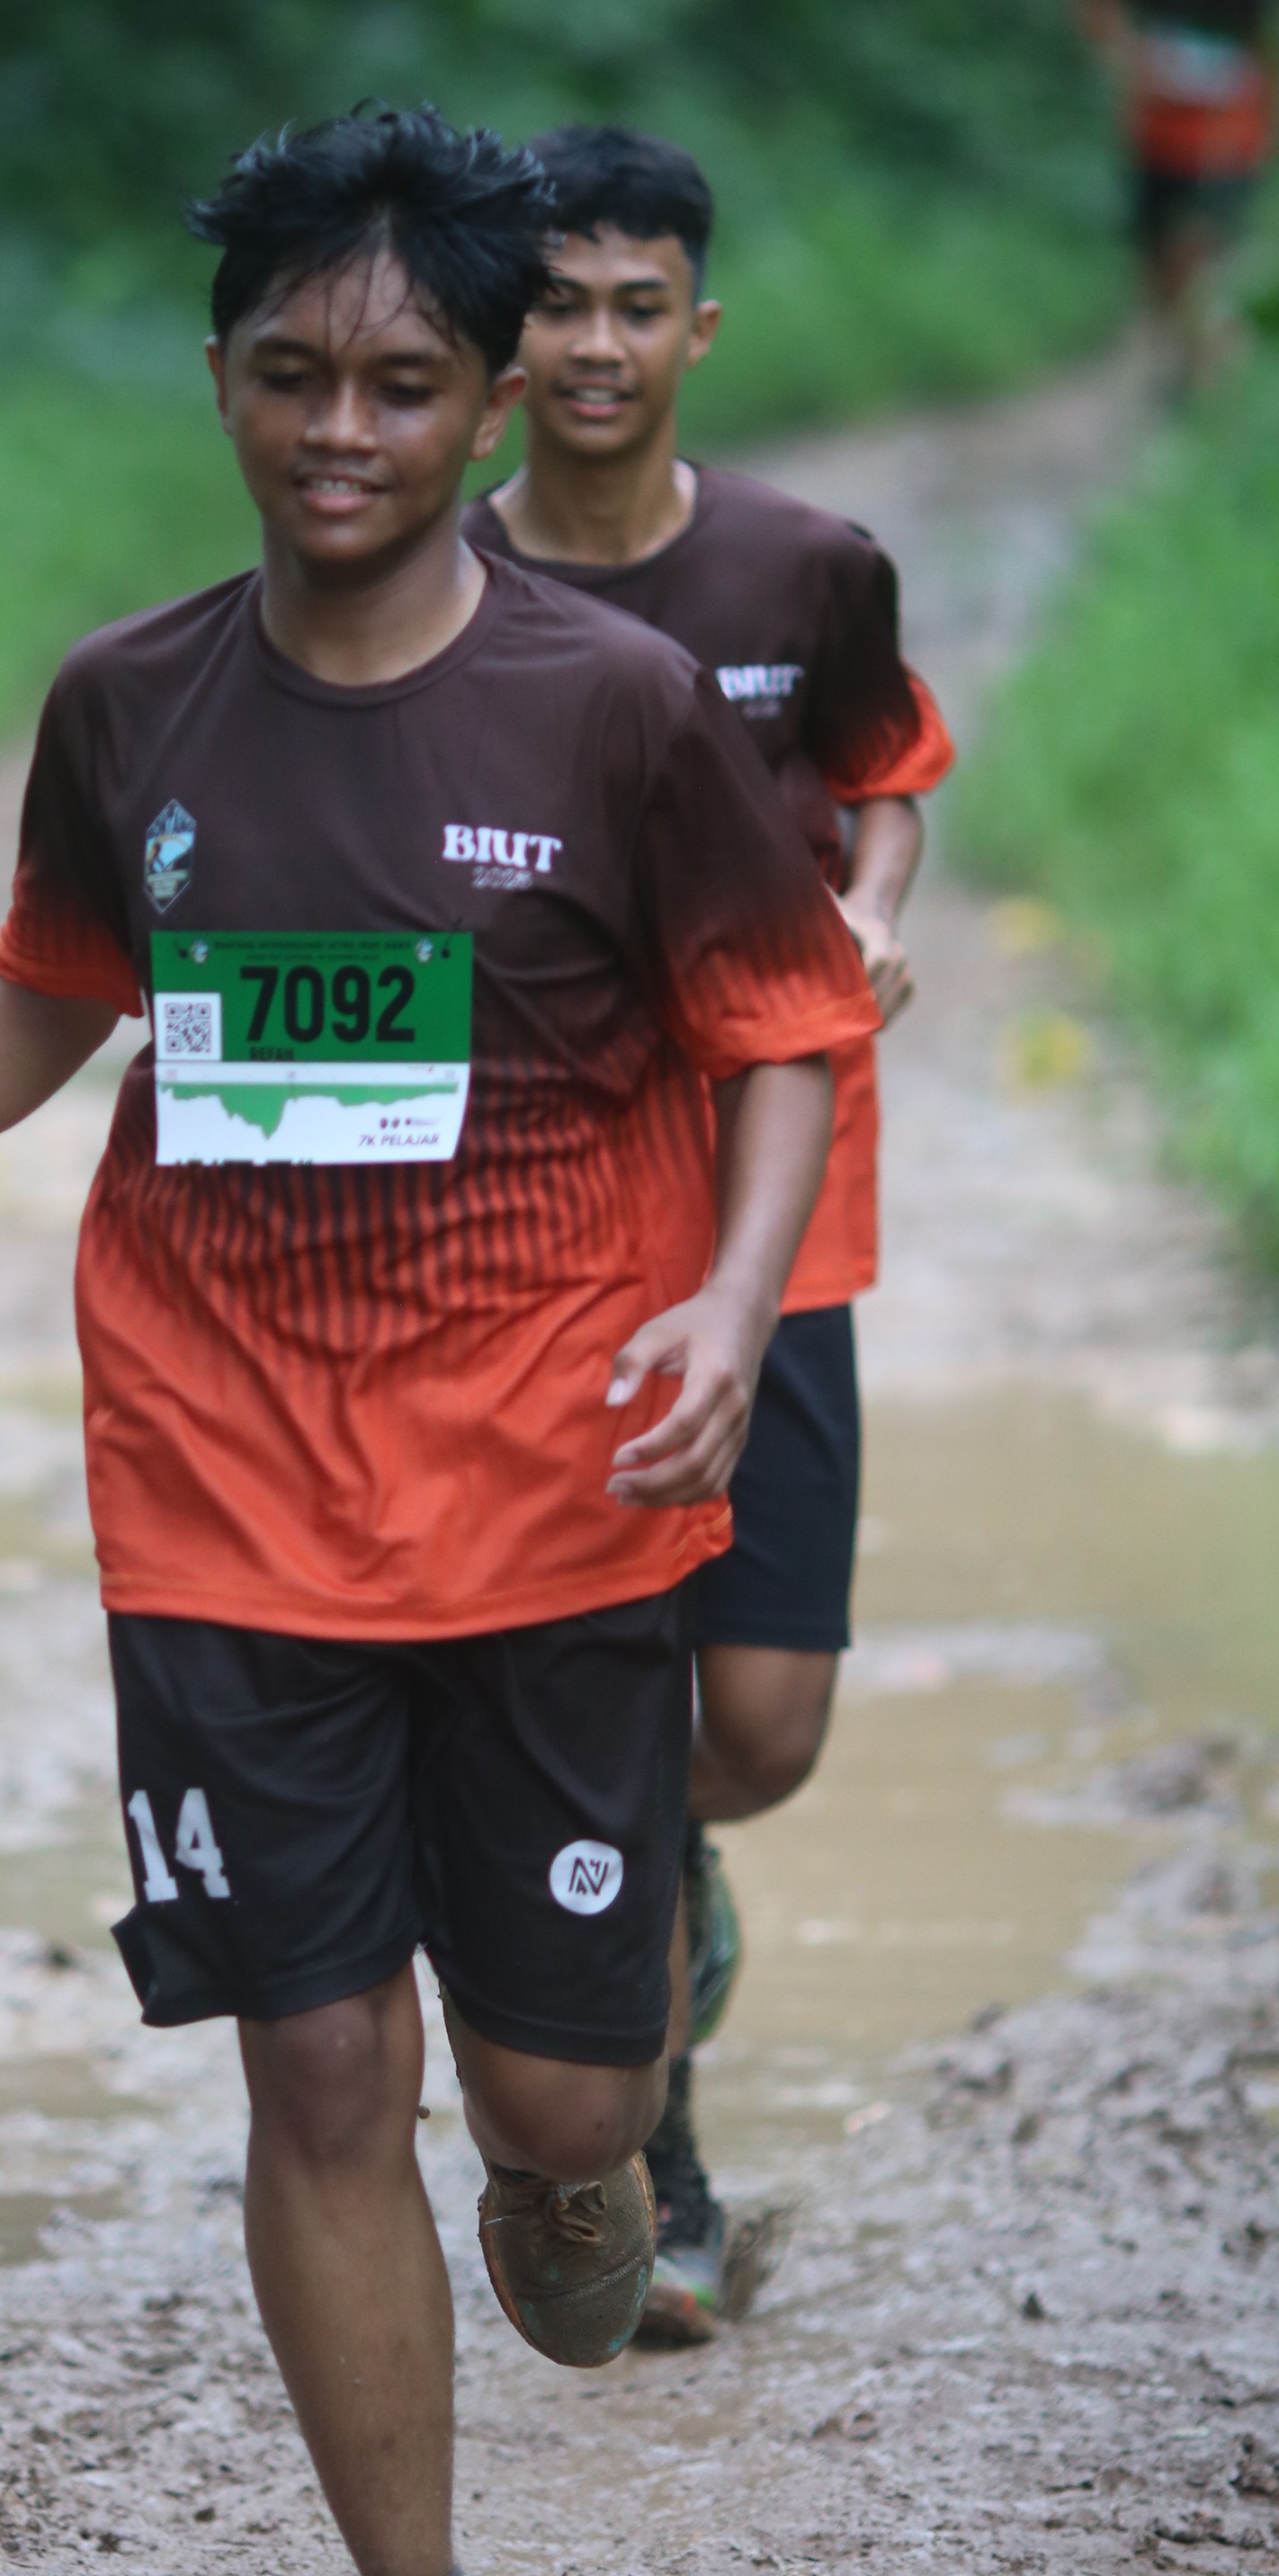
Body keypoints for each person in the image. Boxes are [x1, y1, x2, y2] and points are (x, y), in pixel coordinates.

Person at [0, 107, 878, 2576]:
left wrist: (726, 1300)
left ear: (488, 403)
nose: (337, 430)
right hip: (223, 1480)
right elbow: (50, 987)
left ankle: (589, 2144)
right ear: (220, 382)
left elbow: (784, 1023)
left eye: (397, 384)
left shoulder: (618, 711)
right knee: (320, 2062)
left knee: (560, 2109)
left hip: (552, 1482)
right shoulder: (127, 703)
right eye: (288, 374)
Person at [465, 122, 953, 2343]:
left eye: (632, 304)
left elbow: (883, 773)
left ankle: (648, 1862)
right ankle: (648, 2156)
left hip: (786, 1221)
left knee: (752, 1722)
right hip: (545, 1232)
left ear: (697, 326)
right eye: (555, 303)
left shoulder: (802, 572)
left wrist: (866, 915)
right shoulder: (436, 579)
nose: (593, 343)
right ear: (505, 336)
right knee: (596, 1692)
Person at [1078, 0, 1279, 390]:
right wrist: (1127, 59)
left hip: (1230, 136)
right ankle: (1168, 362)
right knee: (1156, 259)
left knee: (1202, 251)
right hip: (1159, 133)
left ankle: (1205, 371)